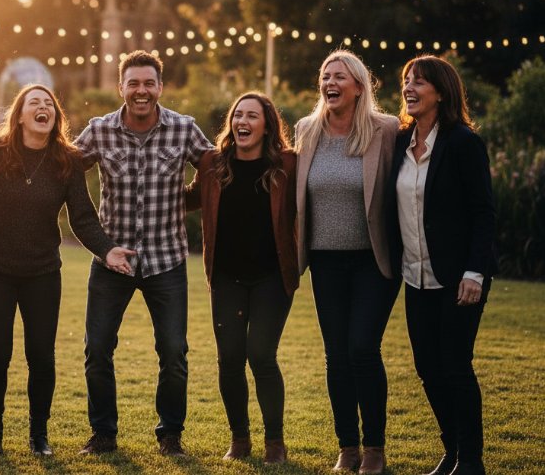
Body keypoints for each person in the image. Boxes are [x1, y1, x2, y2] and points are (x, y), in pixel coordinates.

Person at [0, 85, 135, 457]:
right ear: (20, 115)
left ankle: (39, 434)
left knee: (41, 355)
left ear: (55, 116)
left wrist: (107, 250)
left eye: (49, 104)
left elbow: (83, 218)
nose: (43, 108)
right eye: (33, 103)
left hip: (42, 271)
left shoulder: (66, 161)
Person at [74, 50, 213, 456]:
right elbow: (59, 171)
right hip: (111, 261)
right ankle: (103, 435)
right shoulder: (99, 131)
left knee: (173, 352)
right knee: (97, 349)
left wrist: (182, 200)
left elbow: (215, 172)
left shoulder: (183, 129)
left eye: (148, 83)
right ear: (121, 88)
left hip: (166, 260)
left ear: (160, 88)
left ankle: (170, 436)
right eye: (133, 83)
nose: (141, 91)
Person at [387, 56, 496, 475]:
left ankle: (470, 461)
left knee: (454, 366)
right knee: (428, 368)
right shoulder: (399, 142)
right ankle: (451, 450)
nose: (409, 88)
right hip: (415, 277)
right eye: (406, 82)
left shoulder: (463, 142)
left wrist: (475, 272)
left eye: (419, 82)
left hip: (458, 278)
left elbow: (484, 212)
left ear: (441, 91)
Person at [294, 50, 400, 474]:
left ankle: (374, 448)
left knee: (362, 349)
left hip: (374, 261)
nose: (330, 82)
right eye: (325, 75)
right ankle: (347, 447)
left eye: (340, 76)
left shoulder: (386, 130)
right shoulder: (306, 131)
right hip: (325, 262)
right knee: (336, 355)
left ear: (359, 85)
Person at [187, 92, 298, 464]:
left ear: (267, 124)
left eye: (252, 115)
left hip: (271, 277)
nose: (242, 121)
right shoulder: (212, 165)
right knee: (230, 358)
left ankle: (275, 442)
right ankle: (239, 439)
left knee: (261, 356)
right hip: (226, 278)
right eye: (238, 115)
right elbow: (186, 198)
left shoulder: (287, 164)